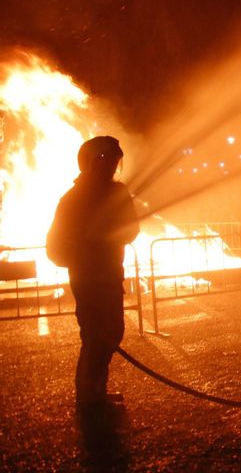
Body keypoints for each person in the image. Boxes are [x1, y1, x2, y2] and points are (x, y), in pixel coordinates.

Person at [46, 136, 139, 410]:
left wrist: (109, 236)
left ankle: (96, 389)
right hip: (87, 280)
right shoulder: (72, 200)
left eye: (113, 161)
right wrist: (80, 251)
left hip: (111, 276)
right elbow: (54, 248)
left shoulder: (118, 193)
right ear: (88, 163)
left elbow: (132, 229)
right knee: (95, 335)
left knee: (113, 331)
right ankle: (89, 394)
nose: (109, 166)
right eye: (103, 160)